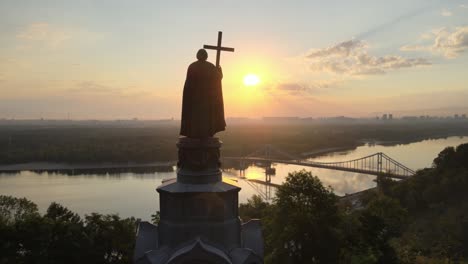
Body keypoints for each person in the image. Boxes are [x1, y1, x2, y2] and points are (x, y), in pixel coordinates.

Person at [180, 49, 226, 138]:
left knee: (196, 116)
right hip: (207, 99)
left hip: (194, 99)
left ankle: (194, 132)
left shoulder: (192, 66)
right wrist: (219, 71)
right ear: (206, 56)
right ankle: (206, 132)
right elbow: (218, 78)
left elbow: (188, 85)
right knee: (206, 117)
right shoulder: (210, 66)